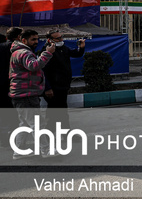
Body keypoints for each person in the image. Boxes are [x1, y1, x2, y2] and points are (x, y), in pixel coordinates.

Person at [9, 29, 56, 158]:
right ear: (23, 40)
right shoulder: (24, 52)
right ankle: (46, 150)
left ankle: (18, 151)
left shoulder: (19, 51)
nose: (36, 42)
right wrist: (47, 53)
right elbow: (34, 65)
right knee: (37, 124)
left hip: (21, 94)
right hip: (26, 94)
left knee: (25, 124)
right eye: (33, 39)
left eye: (37, 39)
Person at [41, 30, 86, 131]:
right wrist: (47, 88)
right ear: (50, 40)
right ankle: (51, 133)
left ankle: (64, 132)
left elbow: (75, 53)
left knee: (62, 111)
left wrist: (81, 47)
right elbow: (43, 71)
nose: (61, 40)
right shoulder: (46, 52)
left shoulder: (63, 48)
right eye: (58, 38)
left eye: (61, 37)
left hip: (62, 85)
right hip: (53, 87)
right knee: (54, 112)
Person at [0, 27, 22, 147]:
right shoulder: (18, 49)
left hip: (3, 85)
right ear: (18, 37)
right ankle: (14, 139)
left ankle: (5, 138)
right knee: (15, 113)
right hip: (15, 85)